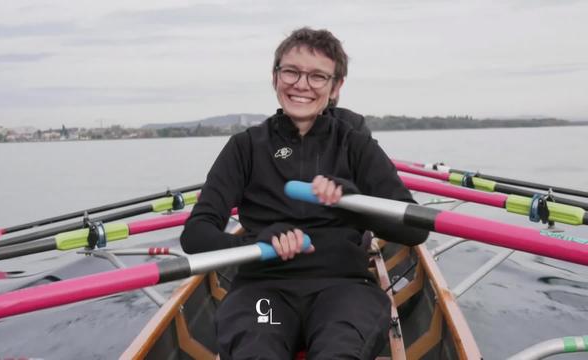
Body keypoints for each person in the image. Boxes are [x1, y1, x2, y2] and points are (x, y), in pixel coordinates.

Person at [180, 27, 428, 360]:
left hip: (343, 289)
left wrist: (352, 203)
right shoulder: (245, 147)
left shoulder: (355, 145)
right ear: (275, 77)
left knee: (338, 352)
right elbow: (196, 235)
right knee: (257, 351)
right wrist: (257, 245)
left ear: (336, 86)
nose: (301, 85)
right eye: (292, 72)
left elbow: (413, 228)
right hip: (262, 290)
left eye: (317, 76)